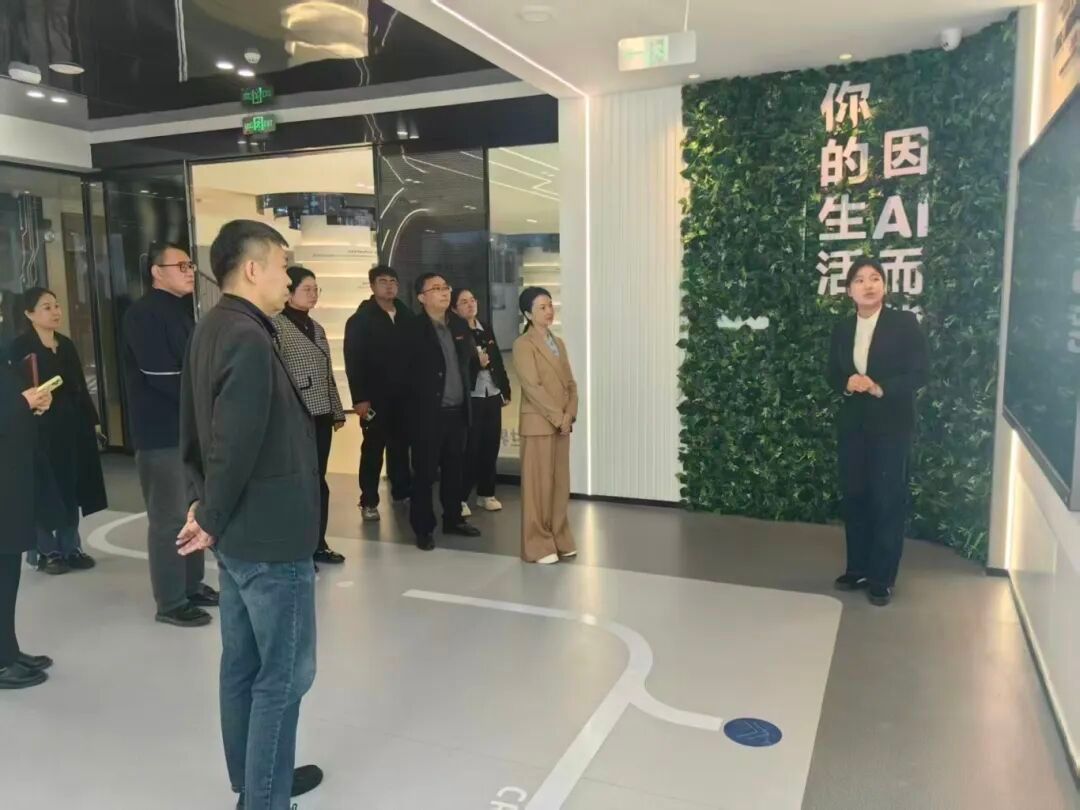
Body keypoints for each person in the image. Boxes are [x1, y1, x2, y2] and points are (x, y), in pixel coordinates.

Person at [178, 220, 323, 810]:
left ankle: (259, 779)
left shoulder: (213, 327)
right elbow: (233, 441)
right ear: (253, 268)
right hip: (268, 537)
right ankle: (264, 796)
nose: (289, 279)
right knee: (285, 674)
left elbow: (194, 431)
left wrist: (202, 504)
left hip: (240, 534)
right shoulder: (247, 336)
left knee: (242, 663)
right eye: (283, 266)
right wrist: (209, 513)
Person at [122, 242, 219, 627]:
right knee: (168, 519)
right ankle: (171, 601)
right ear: (156, 272)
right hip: (161, 432)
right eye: (180, 266)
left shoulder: (180, 312)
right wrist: (208, 394)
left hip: (188, 430)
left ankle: (191, 585)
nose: (190, 271)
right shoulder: (143, 314)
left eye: (190, 265)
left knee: (193, 510)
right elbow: (161, 375)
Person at [826, 257, 929, 607]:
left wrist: (882, 388)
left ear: (884, 285)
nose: (868, 285)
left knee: (887, 499)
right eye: (859, 280)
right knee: (855, 496)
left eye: (874, 278)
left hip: (892, 426)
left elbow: (920, 372)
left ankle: (882, 578)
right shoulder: (843, 328)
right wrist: (847, 383)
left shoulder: (904, 323)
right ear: (849, 290)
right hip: (853, 426)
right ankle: (857, 568)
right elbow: (831, 373)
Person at [11, 287, 106, 575]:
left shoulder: (65, 345)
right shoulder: (20, 347)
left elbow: (79, 386)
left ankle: (70, 547)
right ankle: (46, 550)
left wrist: (93, 421)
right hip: (38, 430)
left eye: (56, 306)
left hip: (70, 428)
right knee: (43, 487)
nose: (55, 312)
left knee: (70, 487)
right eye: (46, 307)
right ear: (29, 314)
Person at [402, 272, 482, 550]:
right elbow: (401, 375)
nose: (444, 292)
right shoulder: (411, 329)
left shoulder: (458, 324)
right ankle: (424, 528)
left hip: (457, 412)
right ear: (421, 297)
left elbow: (468, 364)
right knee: (424, 474)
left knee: (454, 470)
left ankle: (454, 518)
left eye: (445, 287)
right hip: (427, 415)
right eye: (436, 288)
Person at [273, 266, 347, 566]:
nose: (313, 294)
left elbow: (328, 373)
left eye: (316, 289)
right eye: (307, 289)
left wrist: (337, 410)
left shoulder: (316, 327)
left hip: (321, 416)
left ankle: (317, 543)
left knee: (318, 480)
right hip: (294, 417)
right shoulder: (275, 326)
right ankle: (295, 547)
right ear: (289, 292)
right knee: (297, 483)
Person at [0, 299, 54, 689]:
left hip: (11, 472)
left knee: (8, 568)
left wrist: (30, 404)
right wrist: (22, 402)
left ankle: (8, 649)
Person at [512, 287, 578, 564]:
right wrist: (558, 417)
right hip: (539, 424)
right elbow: (533, 387)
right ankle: (537, 544)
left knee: (560, 485)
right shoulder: (523, 344)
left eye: (550, 305)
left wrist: (569, 414)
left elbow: (571, 384)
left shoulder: (558, 342)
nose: (549, 311)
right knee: (538, 488)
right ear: (528, 314)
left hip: (561, 424)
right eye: (542, 307)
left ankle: (559, 537)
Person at [343, 264, 413, 522]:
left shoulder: (407, 316)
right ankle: (369, 500)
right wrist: (359, 398)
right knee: (373, 449)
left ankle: (402, 492)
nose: (389, 286)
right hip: (375, 398)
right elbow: (354, 361)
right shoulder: (360, 320)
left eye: (393, 281)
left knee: (401, 447)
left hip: (404, 398)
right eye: (383, 281)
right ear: (372, 286)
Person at [451, 287, 511, 513]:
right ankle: (460, 498)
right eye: (464, 302)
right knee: (471, 448)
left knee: (491, 445)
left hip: (492, 393)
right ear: (454, 309)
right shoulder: (454, 331)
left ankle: (486, 494)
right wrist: (478, 364)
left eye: (472, 300)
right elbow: (457, 367)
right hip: (471, 396)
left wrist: (505, 388)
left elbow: (497, 359)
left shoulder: (485, 327)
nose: (470, 304)